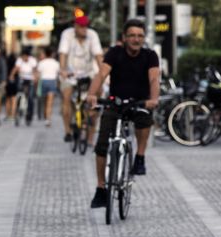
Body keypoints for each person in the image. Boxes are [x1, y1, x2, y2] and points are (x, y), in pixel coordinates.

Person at [86, 19, 160, 208]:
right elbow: (102, 74)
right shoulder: (114, 53)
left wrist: (153, 99)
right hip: (116, 103)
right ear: (124, 38)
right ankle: (101, 188)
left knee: (145, 120)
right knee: (102, 144)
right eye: (132, 35)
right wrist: (92, 94)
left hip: (139, 102)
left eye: (140, 36)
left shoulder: (150, 55)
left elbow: (154, 79)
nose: (136, 39)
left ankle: (140, 156)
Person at [58, 15, 104, 143]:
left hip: (88, 73)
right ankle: (67, 131)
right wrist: (63, 69)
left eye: (86, 26)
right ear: (75, 27)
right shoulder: (67, 35)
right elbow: (63, 54)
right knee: (66, 96)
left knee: (97, 98)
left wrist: (102, 74)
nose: (85, 29)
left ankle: (90, 137)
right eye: (82, 27)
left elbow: (98, 56)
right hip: (70, 74)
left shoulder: (92, 35)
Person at [9, 48, 37, 124]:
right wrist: (11, 75)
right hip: (22, 79)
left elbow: (34, 70)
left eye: (25, 56)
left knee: (30, 97)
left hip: (30, 79)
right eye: (23, 56)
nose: (24, 58)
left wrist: (35, 78)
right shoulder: (19, 60)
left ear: (28, 56)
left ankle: (29, 115)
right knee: (19, 93)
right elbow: (16, 68)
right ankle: (18, 110)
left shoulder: (32, 60)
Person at [35, 47, 61, 127]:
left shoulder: (41, 63)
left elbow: (37, 75)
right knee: (50, 103)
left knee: (44, 101)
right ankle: (48, 119)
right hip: (52, 82)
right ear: (52, 54)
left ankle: (45, 115)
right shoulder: (56, 63)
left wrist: (36, 84)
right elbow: (59, 74)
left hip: (43, 81)